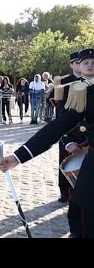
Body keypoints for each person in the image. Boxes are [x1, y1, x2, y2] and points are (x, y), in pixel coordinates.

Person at [0, 48, 94, 237]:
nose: (91, 64)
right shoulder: (83, 92)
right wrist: (19, 156)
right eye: (87, 61)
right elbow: (57, 127)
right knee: (82, 207)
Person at [53, 51, 82, 203]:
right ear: (71, 65)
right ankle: (64, 191)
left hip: (85, 130)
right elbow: (58, 107)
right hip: (68, 128)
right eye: (76, 63)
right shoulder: (64, 83)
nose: (79, 65)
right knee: (64, 160)